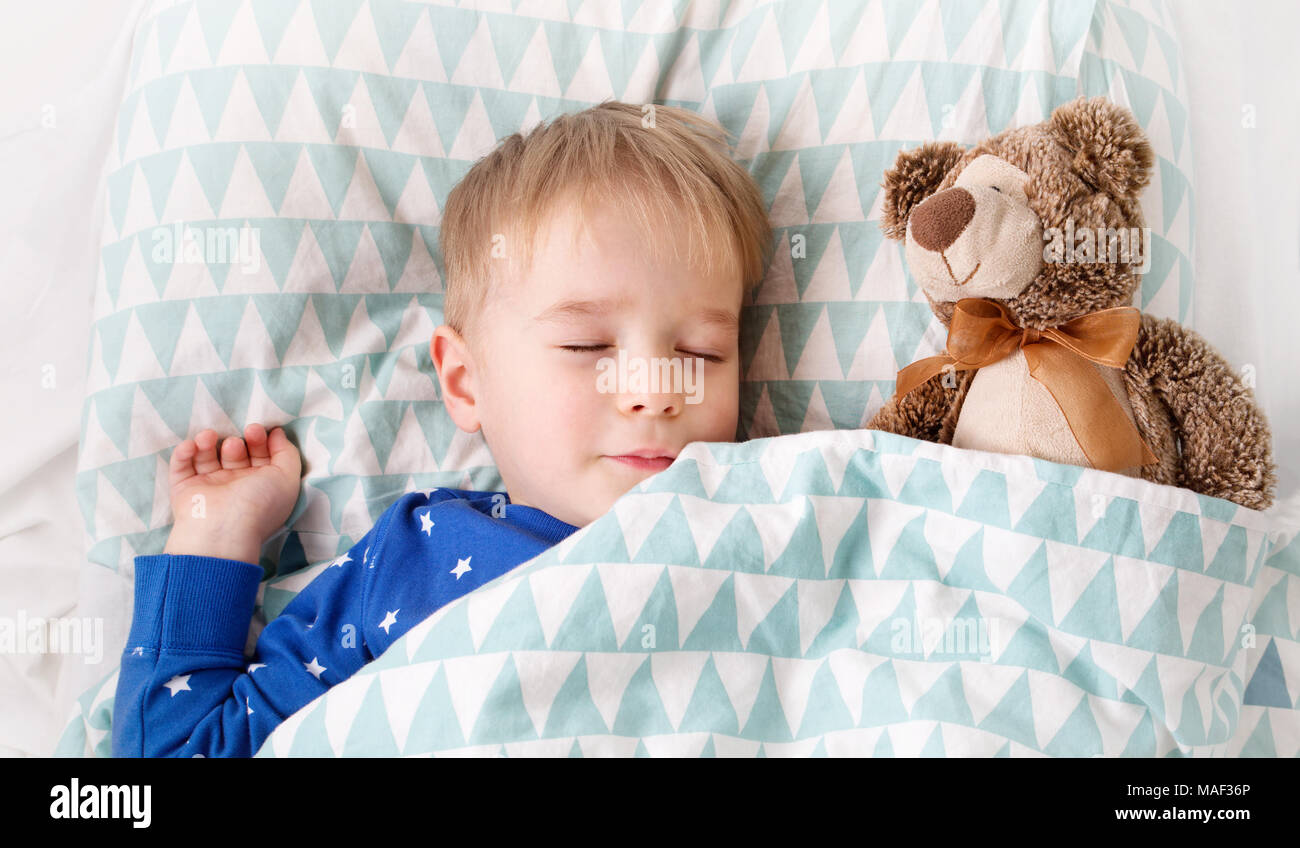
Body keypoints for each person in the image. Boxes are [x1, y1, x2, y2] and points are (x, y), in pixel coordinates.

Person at [112, 101, 773, 756]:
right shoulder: (418, 560)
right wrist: (218, 531)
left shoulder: (772, 526)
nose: (656, 391)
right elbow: (183, 751)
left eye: (699, 354)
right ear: (464, 381)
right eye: (586, 346)